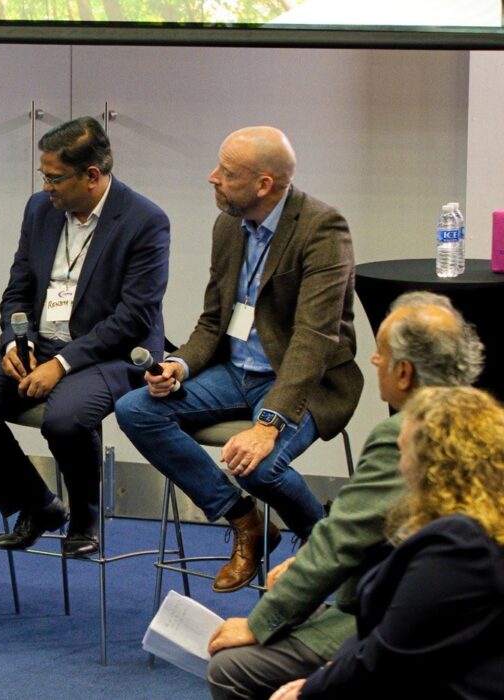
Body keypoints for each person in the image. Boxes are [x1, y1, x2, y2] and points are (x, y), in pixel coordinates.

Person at [115, 126, 362, 591]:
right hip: (234, 371)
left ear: (264, 184)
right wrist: (181, 366)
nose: (212, 178)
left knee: (262, 465)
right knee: (135, 410)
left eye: (226, 173)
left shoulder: (323, 229)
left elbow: (314, 339)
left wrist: (268, 424)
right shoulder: (228, 225)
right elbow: (213, 322)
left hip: (302, 378)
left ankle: (324, 545)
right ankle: (245, 520)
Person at [207, 291, 485, 699]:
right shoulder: (482, 420)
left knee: (231, 668)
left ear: (404, 372)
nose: (374, 360)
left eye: (382, 352)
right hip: (455, 611)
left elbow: (343, 539)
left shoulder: (408, 434)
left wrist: (258, 623)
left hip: (401, 618)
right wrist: (306, 562)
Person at [0, 116, 170, 557]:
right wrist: (15, 341)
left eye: (54, 177)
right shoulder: (39, 209)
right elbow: (19, 287)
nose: (46, 186)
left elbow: (133, 317)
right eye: (42, 176)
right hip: (40, 343)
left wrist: (61, 364)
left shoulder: (145, 221)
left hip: (110, 352)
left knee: (64, 420)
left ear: (92, 176)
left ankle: (85, 516)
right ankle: (38, 504)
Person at [270, 386, 504, 699]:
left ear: (432, 463)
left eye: (404, 451)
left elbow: (387, 650)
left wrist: (309, 690)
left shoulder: (459, 543)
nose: (400, 463)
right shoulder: (472, 522)